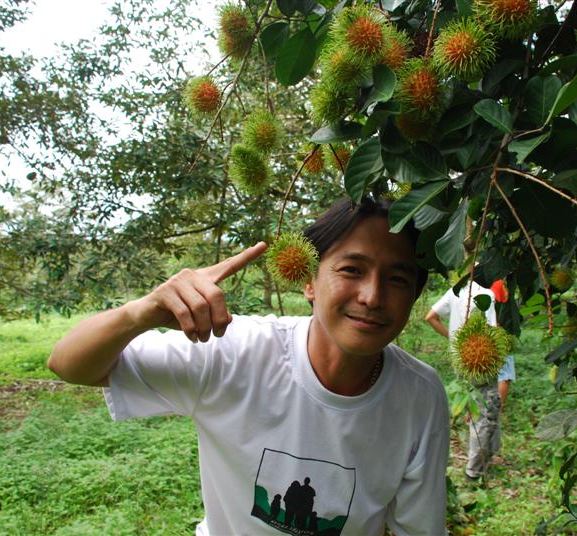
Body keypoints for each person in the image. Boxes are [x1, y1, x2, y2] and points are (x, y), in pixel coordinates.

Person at [47, 197, 450, 535]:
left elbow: (417, 529)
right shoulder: (231, 351)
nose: (372, 296)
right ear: (309, 281)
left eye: (398, 279)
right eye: (351, 270)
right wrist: (140, 313)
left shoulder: (419, 394)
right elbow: (69, 364)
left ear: (414, 296)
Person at [424, 278, 515, 480]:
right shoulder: (488, 294)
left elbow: (430, 316)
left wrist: (453, 340)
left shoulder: (456, 290)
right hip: (481, 362)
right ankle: (474, 471)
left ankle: (488, 454)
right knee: (485, 411)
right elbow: (495, 329)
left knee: (478, 405)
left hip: (461, 359)